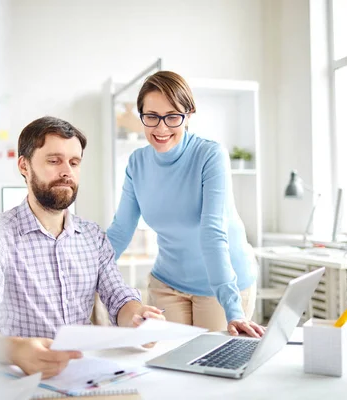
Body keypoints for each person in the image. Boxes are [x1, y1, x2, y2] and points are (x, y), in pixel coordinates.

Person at [0, 116, 164, 378]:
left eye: (74, 162)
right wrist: (16, 350)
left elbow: (119, 298)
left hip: (84, 373)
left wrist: (138, 319)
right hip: (23, 378)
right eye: (54, 161)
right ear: (24, 166)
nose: (66, 171)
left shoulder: (92, 236)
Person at [107, 71, 264, 338]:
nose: (161, 127)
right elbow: (120, 230)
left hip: (223, 285)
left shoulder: (209, 155)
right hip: (167, 282)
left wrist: (233, 310)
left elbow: (212, 232)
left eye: (172, 117)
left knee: (212, 367)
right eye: (151, 116)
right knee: (166, 363)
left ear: (188, 115)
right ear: (141, 116)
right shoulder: (137, 163)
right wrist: (85, 271)